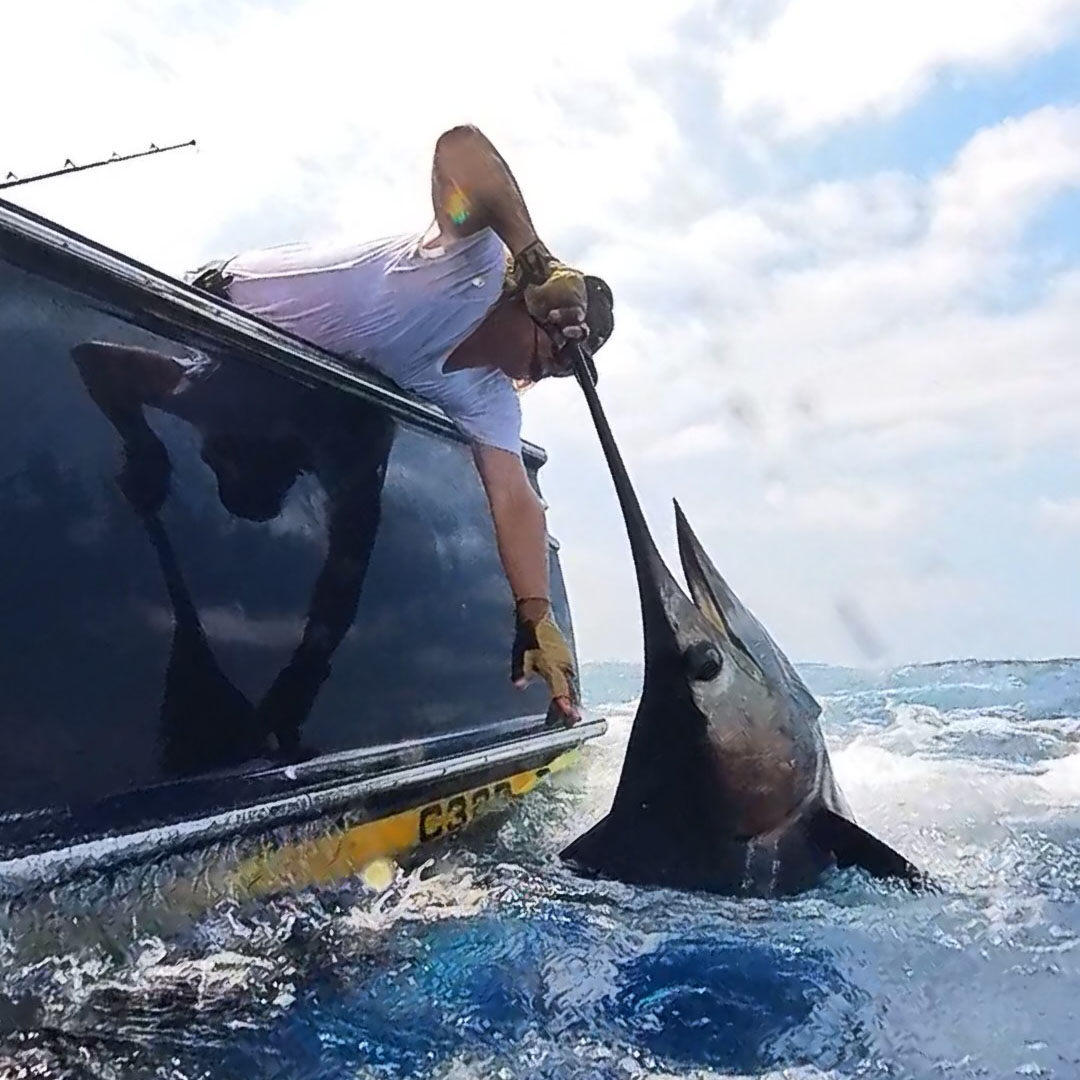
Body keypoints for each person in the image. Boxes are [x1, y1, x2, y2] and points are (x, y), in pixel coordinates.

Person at [186, 124, 615, 725]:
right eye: (561, 342)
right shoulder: (472, 262)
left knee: (355, 520)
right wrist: (535, 254)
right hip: (211, 311)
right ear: (530, 298)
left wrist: (535, 615)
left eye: (572, 367)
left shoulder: (488, 395)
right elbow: (459, 147)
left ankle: (297, 692)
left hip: (281, 387)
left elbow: (516, 499)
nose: (555, 365)